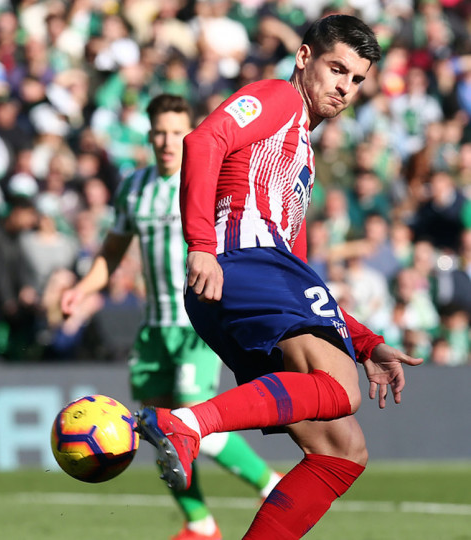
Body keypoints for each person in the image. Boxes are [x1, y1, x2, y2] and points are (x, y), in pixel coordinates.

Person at [133, 15, 423, 539]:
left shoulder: (300, 153)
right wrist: (200, 245)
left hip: (243, 282)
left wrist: (364, 342)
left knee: (342, 451)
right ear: (305, 57)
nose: (344, 87)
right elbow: (202, 142)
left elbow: (301, 280)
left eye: (357, 79)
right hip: (241, 261)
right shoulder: (278, 99)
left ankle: (189, 427)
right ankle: (183, 423)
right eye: (337, 69)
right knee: (340, 389)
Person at [62, 94, 282, 540]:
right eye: (159, 132)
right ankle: (200, 524)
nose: (167, 141)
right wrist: (83, 288)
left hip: (197, 327)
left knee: (190, 418)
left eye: (177, 132)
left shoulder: (209, 180)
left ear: (190, 133)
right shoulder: (134, 187)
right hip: (153, 332)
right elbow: (113, 251)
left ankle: (270, 485)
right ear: (148, 135)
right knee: (160, 432)